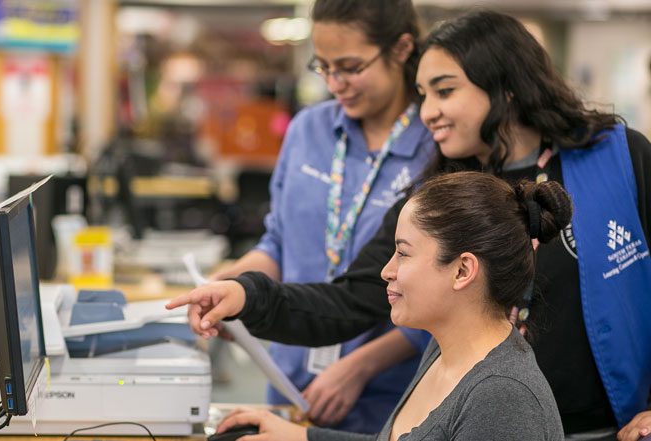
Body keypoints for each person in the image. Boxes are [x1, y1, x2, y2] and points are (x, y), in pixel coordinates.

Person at [168, 10, 651, 441]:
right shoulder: (447, 190)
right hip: (477, 419)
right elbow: (351, 298)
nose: (427, 112)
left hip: (608, 425)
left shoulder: (618, 157)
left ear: (506, 85)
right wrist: (249, 295)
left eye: (445, 91)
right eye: (423, 94)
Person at [174, 172, 569, 440]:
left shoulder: (503, 397)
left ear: (463, 269)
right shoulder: (445, 351)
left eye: (403, 254)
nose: (386, 271)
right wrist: (302, 436)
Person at [206, 0, 434, 433]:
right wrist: (235, 286)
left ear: (402, 49)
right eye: (323, 66)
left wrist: (360, 367)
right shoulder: (307, 130)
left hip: (390, 389)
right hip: (291, 375)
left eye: (350, 67)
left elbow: (449, 290)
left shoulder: (436, 144)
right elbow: (278, 242)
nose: (335, 83)